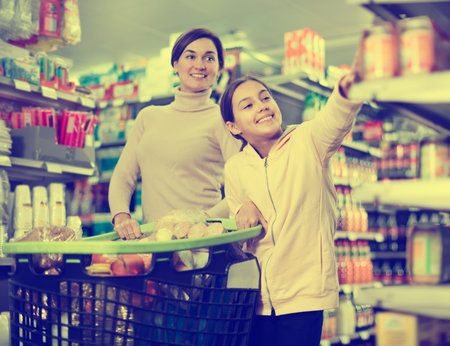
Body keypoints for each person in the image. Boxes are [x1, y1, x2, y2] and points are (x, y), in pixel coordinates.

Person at [219, 46, 363, 345]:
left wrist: (349, 89)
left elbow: (335, 118)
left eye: (265, 97)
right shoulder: (235, 168)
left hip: (304, 297)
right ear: (233, 127)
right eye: (247, 105)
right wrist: (240, 212)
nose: (262, 106)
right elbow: (241, 232)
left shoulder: (308, 141)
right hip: (254, 300)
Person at [109, 28, 242, 240]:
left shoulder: (223, 118)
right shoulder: (148, 117)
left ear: (219, 69)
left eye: (209, 58)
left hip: (201, 243)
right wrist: (121, 216)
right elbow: (124, 175)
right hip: (153, 243)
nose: (200, 65)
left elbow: (244, 186)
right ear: (175, 65)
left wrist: (203, 220)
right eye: (190, 56)